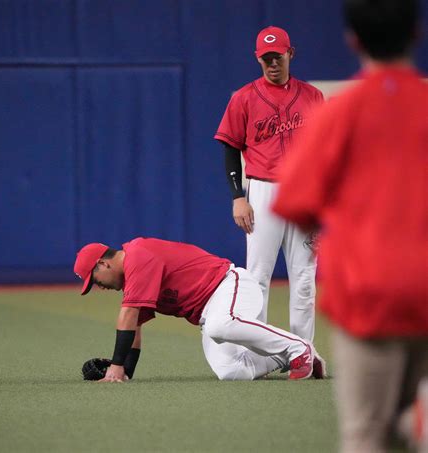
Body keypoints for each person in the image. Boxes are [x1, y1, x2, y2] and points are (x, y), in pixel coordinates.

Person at [271, 0, 428, 451]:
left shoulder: (340, 112)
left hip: (370, 295)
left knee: (365, 435)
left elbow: (296, 204)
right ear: (417, 34)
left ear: (353, 40)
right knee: (403, 426)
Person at [73, 237, 326, 382]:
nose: (99, 287)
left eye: (94, 281)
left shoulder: (137, 257)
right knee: (231, 372)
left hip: (228, 284)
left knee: (220, 325)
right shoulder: (132, 277)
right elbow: (135, 323)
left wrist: (115, 366)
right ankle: (287, 356)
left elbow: (127, 315)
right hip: (209, 310)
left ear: (103, 264)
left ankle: (299, 347)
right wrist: (125, 371)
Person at [214, 25, 324, 342]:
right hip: (261, 191)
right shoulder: (244, 98)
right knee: (258, 277)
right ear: (258, 59)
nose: (272, 64)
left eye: (278, 56)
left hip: (303, 193)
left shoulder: (312, 97)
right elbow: (230, 148)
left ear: (291, 53)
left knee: (304, 278)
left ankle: (303, 352)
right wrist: (238, 196)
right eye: (266, 59)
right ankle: (259, 355)